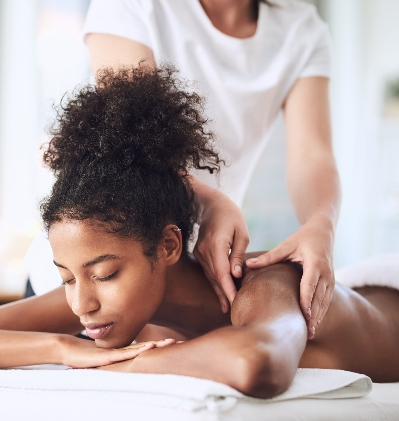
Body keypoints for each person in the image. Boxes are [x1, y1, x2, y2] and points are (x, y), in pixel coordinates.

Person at [0, 67, 399, 398]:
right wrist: (60, 350)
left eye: (104, 274)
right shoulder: (107, 305)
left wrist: (113, 368)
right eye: (66, 278)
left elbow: (256, 363)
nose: (79, 305)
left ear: (170, 245)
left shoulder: (270, 283)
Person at [24, 0, 340, 340]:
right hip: (92, 266)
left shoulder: (301, 28)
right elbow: (130, 132)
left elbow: (313, 153)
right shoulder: (135, 6)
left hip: (185, 279)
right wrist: (209, 202)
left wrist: (321, 223)